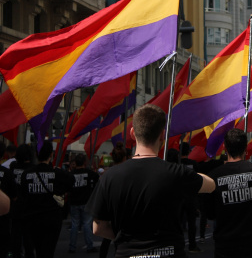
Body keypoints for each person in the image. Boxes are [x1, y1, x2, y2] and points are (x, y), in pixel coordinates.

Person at [86, 104, 215, 258]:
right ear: (162, 135)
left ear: (133, 133)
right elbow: (210, 185)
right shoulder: (176, 173)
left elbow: (98, 228)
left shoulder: (109, 176)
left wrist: (127, 238)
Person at [205, 128, 252, 258]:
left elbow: (210, 213)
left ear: (225, 148)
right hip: (251, 245)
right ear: (245, 148)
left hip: (225, 246)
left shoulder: (214, 176)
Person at [20, 141, 75, 258]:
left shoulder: (26, 174)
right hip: (52, 218)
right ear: (51, 155)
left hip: (32, 218)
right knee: (49, 251)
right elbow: (71, 182)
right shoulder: (58, 173)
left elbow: (23, 194)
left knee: (38, 249)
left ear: (36, 154)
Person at [99, 142, 127, 258]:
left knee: (106, 240)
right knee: (121, 241)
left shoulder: (106, 174)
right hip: (123, 211)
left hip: (108, 210)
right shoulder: (127, 173)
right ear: (125, 158)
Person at [68, 153, 99, 253]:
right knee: (87, 224)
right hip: (86, 202)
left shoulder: (71, 174)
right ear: (84, 162)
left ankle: (72, 247)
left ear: (75, 163)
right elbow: (97, 178)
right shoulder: (89, 173)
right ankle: (89, 246)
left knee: (74, 224)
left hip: (74, 202)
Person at [9, 144, 35, 258]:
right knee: (28, 235)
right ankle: (29, 253)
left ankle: (15, 253)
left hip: (15, 204)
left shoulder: (13, 166)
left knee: (16, 233)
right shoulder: (32, 168)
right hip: (28, 205)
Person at [180, 142, 201, 253]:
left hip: (178, 197)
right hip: (191, 197)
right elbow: (198, 180)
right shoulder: (194, 164)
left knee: (177, 223)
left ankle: (178, 246)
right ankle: (192, 245)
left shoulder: (176, 164)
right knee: (192, 223)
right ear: (189, 152)